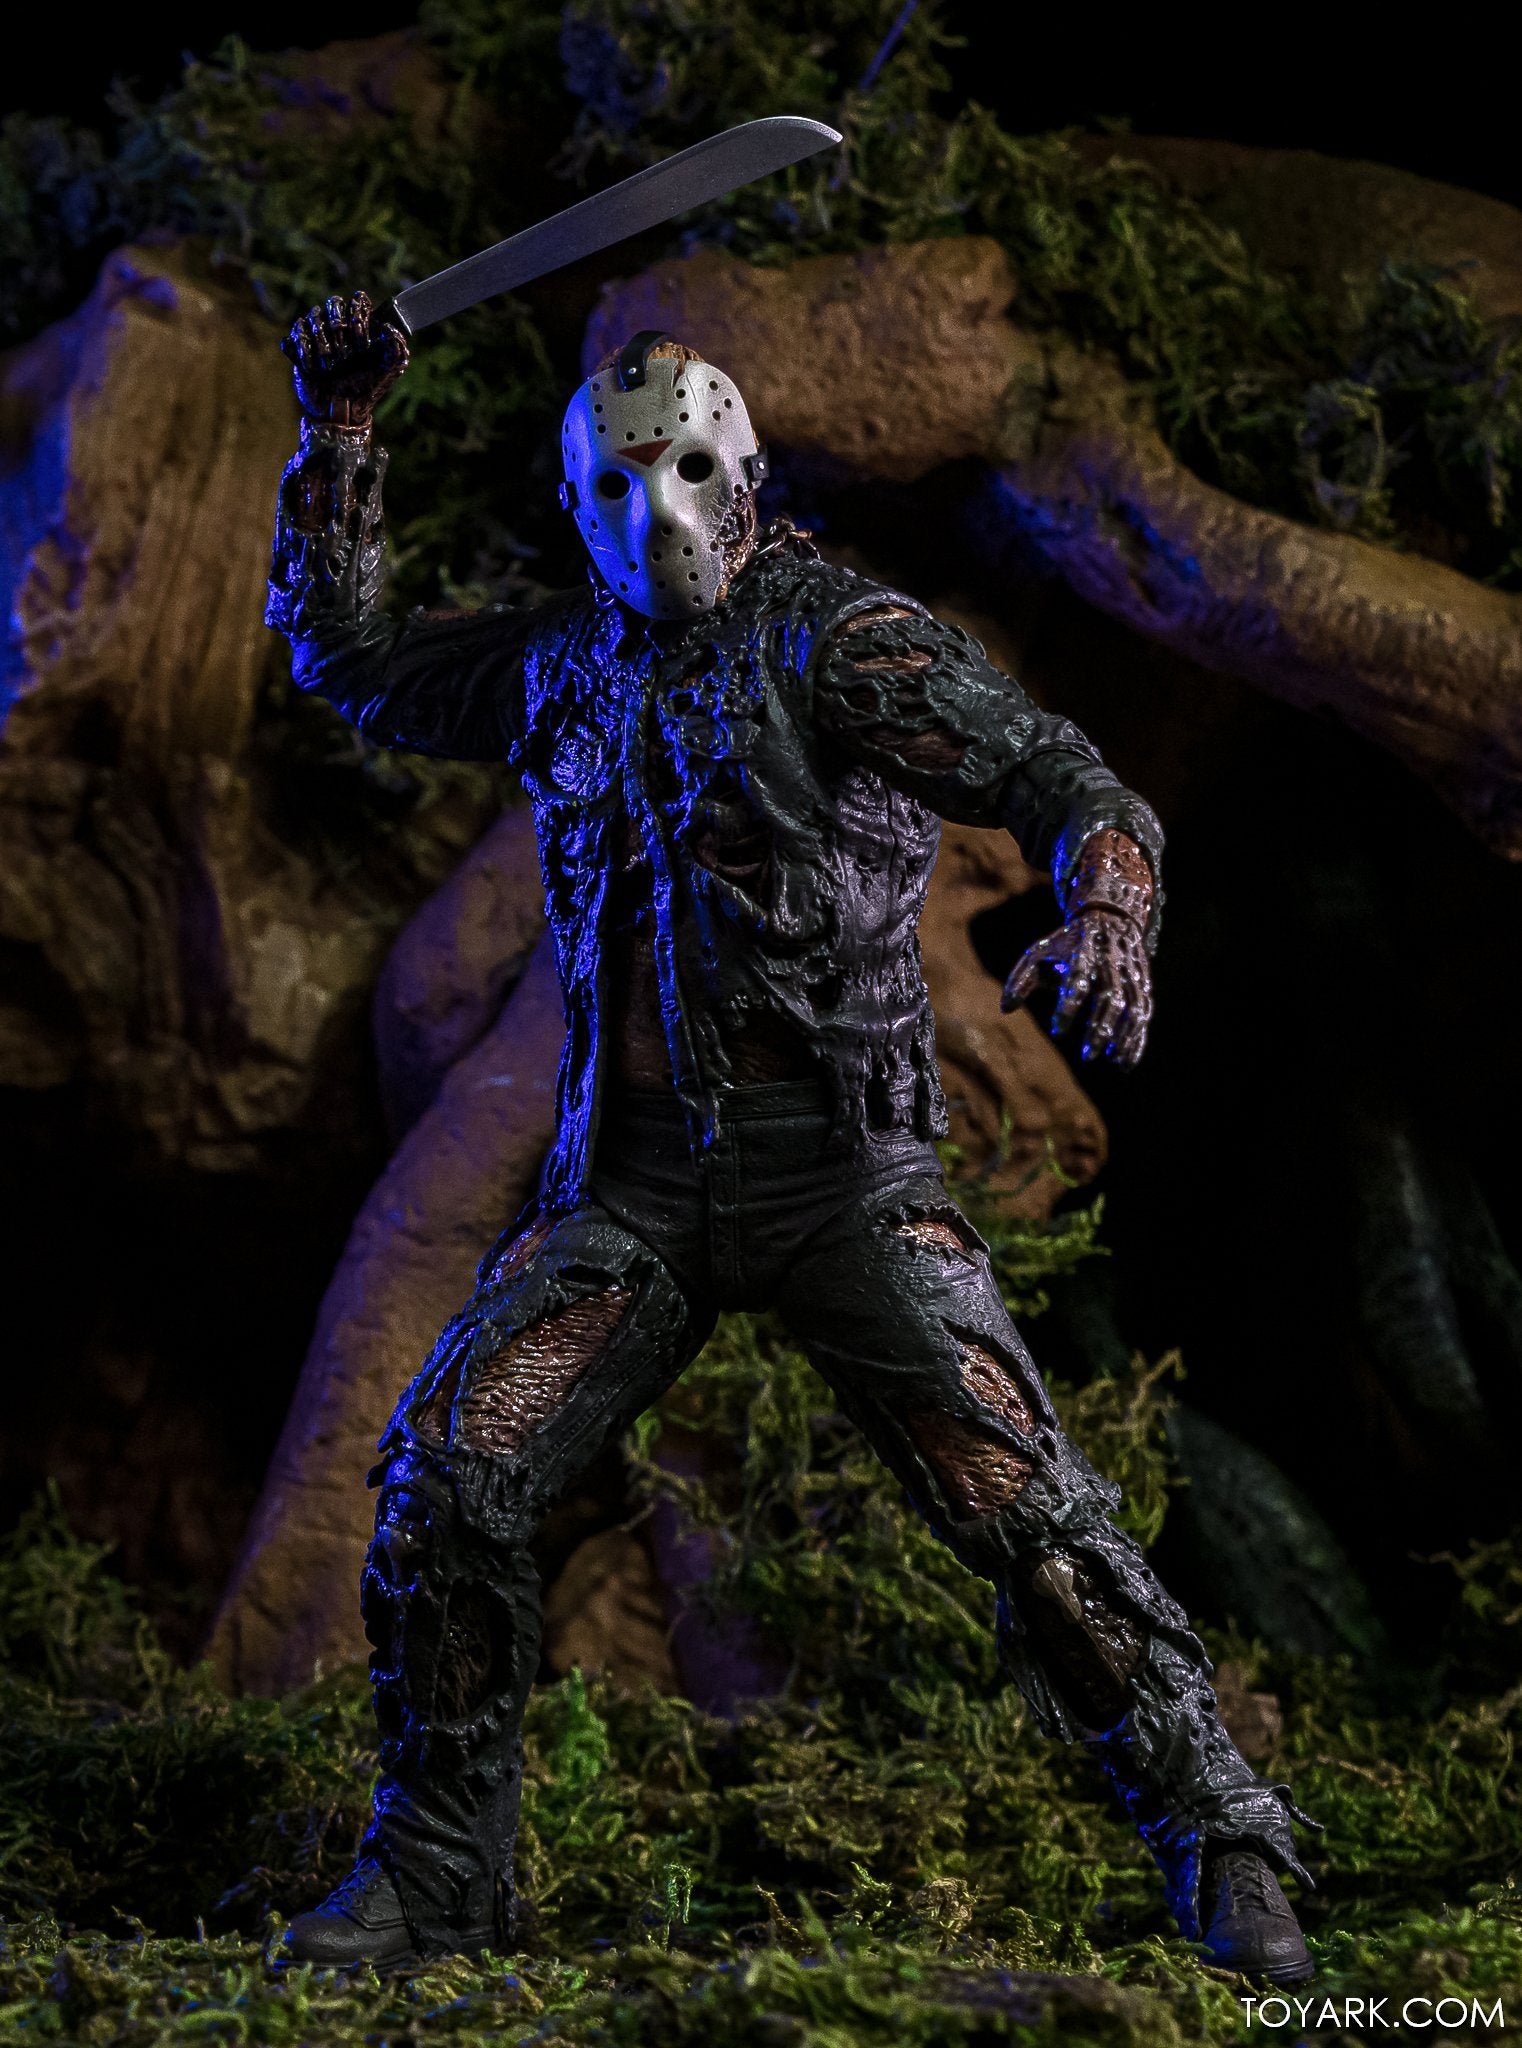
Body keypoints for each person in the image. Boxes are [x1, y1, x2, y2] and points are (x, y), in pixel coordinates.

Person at [264, 292, 1317, 1982]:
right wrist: (340, 433)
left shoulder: (843, 644)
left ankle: (1228, 1839)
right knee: (451, 1479)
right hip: (633, 1198)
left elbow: (1068, 785)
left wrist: (1111, 911)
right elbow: (352, 665)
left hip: (847, 1185)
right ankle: (441, 1876)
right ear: (574, 506)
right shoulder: (561, 665)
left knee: (1024, 1509)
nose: (657, 516)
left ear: (745, 474)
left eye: (687, 471)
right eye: (617, 487)